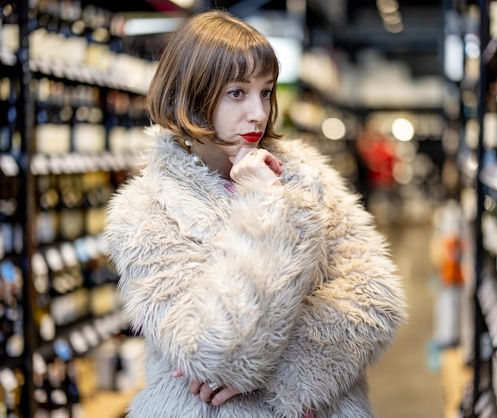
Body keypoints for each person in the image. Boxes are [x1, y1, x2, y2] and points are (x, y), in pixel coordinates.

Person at [104, 9, 407, 418]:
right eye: (236, 93)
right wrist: (266, 210)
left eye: (265, 92)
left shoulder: (305, 176)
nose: (258, 113)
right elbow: (214, 351)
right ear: (191, 94)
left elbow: (375, 303)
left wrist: (286, 373)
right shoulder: (146, 211)